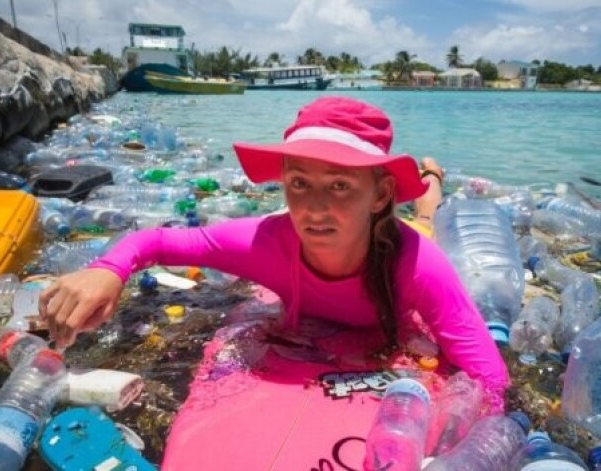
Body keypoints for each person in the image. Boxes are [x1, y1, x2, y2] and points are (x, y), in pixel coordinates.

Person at [40, 96, 509, 407]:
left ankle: (431, 178)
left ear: (382, 193)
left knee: (427, 219)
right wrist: (107, 269)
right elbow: (155, 241)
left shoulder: (418, 266)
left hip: (407, 236)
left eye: (341, 185)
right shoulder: (263, 241)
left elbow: (492, 381)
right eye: (300, 182)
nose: (316, 208)